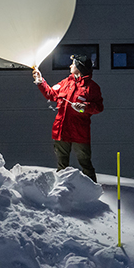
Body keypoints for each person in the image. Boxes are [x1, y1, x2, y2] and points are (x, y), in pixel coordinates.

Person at [32, 54, 103, 182]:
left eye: (73, 64)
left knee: (85, 163)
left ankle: (92, 189)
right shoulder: (66, 82)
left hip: (79, 132)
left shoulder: (92, 87)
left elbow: (98, 107)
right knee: (62, 164)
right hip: (61, 130)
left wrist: (83, 107)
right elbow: (51, 94)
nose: (70, 66)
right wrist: (40, 81)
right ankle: (62, 188)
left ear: (80, 68)